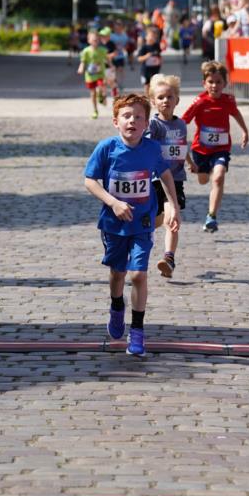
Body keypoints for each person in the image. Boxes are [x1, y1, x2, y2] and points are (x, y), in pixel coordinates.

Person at [84, 92, 181, 357]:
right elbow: (90, 181)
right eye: (126, 116)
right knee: (118, 273)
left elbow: (165, 174)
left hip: (143, 222)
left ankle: (137, 330)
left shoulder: (151, 149)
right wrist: (113, 202)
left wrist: (173, 206)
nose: (132, 121)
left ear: (146, 124)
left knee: (138, 274)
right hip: (114, 224)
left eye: (138, 117)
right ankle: (117, 306)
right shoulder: (107, 148)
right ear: (116, 121)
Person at [181, 60, 249, 232]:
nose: (214, 85)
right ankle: (203, 172)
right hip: (201, 149)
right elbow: (183, 121)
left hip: (221, 149)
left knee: (218, 177)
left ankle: (211, 216)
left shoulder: (228, 100)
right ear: (204, 83)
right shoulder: (200, 102)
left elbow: (236, 113)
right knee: (203, 180)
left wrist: (245, 131)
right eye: (210, 82)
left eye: (218, 82)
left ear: (225, 83)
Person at [147, 74, 190, 278]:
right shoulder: (154, 125)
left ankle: (169, 258)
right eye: (161, 97)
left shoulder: (181, 125)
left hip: (176, 179)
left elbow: (181, 146)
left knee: (172, 217)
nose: (165, 101)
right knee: (156, 221)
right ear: (153, 102)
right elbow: (145, 146)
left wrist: (190, 161)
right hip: (155, 180)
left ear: (177, 100)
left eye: (169, 97)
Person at [77, 30, 109, 118]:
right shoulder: (86, 51)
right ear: (89, 40)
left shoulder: (102, 50)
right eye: (93, 39)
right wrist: (81, 68)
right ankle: (95, 110)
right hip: (90, 76)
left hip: (100, 74)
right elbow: (83, 61)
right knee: (92, 93)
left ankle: (101, 96)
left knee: (101, 87)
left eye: (97, 39)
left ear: (99, 40)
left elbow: (107, 59)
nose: (95, 40)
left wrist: (111, 65)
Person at [137, 24, 163, 94]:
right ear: (146, 37)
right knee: (147, 85)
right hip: (146, 70)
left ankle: (153, 96)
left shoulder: (156, 46)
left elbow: (159, 55)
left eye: (154, 36)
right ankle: (147, 97)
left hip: (155, 69)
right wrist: (146, 56)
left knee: (154, 84)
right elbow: (139, 59)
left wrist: (160, 60)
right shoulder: (144, 47)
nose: (152, 38)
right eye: (151, 36)